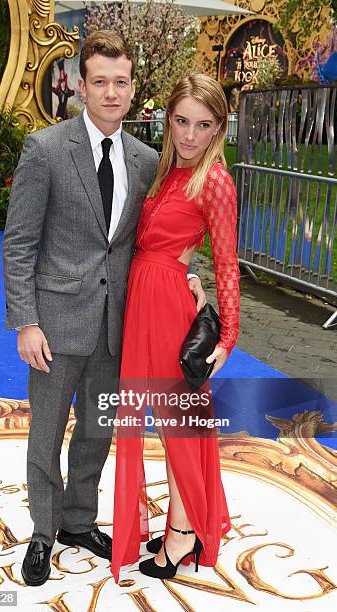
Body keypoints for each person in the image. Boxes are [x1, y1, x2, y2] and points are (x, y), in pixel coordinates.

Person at [2, 30, 205, 587]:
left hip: (120, 323)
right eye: (100, 82)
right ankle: (43, 535)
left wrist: (189, 274)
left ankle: (77, 522)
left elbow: (154, 237)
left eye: (121, 82)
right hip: (56, 321)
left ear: (133, 87)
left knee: (97, 429)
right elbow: (19, 242)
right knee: (45, 433)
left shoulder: (145, 161)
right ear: (81, 87)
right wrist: (25, 320)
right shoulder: (45, 149)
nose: (111, 93)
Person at [111, 74, 240, 582]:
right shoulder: (167, 170)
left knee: (178, 425)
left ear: (218, 129)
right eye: (181, 121)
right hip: (143, 302)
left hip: (167, 309)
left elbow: (227, 263)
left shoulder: (215, 181)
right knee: (160, 423)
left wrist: (228, 334)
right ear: (168, 119)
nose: (189, 135)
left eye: (202, 125)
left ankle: (184, 535)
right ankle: (179, 525)